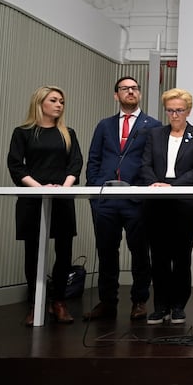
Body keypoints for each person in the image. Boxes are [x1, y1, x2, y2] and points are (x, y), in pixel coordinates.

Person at [85, 76, 161, 322]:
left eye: (134, 88)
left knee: (140, 251)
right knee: (106, 251)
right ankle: (107, 302)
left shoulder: (153, 125)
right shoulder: (104, 125)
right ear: (116, 95)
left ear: (139, 93)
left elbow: (154, 160)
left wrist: (144, 190)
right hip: (105, 199)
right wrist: (94, 189)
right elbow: (94, 158)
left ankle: (139, 301)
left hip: (136, 198)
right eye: (125, 88)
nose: (130, 91)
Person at [7, 86, 83, 326]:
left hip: (62, 198)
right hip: (32, 198)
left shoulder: (67, 133)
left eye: (62, 101)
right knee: (33, 252)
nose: (59, 104)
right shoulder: (23, 133)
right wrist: (40, 188)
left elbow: (75, 164)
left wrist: (63, 188)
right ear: (40, 103)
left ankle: (59, 302)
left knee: (64, 250)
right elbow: (16, 165)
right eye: (54, 100)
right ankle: (35, 303)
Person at [140, 88, 193, 324]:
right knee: (159, 256)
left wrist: (173, 186)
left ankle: (179, 305)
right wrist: (155, 183)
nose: (174, 115)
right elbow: (145, 164)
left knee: (181, 255)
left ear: (188, 111)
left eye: (179, 110)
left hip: (185, 202)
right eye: (170, 110)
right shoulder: (155, 134)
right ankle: (160, 306)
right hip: (157, 201)